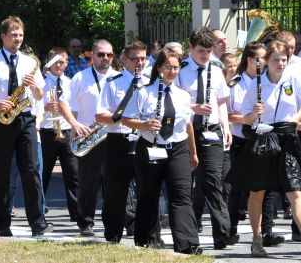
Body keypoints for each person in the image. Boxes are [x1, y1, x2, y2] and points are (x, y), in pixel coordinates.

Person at [226, 40, 301, 257]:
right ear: (267, 61)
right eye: (276, 60)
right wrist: (254, 111)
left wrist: (296, 119)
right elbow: (247, 118)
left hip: (287, 137)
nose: (281, 63)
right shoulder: (256, 84)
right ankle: (257, 238)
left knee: (295, 189)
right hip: (263, 137)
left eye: (284, 59)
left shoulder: (294, 79)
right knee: (258, 191)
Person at [0, 16, 51, 237]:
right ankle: (3, 223)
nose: (18, 38)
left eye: (21, 34)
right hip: (0, 120)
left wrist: (34, 89)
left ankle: (38, 222)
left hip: (25, 118)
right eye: (13, 34)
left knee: (32, 170)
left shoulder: (31, 62)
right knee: (3, 174)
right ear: (3, 36)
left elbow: (40, 95)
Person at [122, 50, 202, 255]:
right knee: (149, 194)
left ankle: (187, 243)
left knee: (182, 195)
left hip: (178, 149)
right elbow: (126, 119)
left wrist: (193, 153)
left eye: (175, 68)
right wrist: (145, 124)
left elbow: (188, 127)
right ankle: (147, 240)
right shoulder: (144, 91)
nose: (172, 72)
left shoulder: (183, 95)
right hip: (150, 147)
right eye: (168, 67)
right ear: (159, 68)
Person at [175, 27, 237, 249]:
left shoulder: (216, 70)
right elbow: (174, 102)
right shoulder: (181, 70)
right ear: (191, 48)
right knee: (191, 184)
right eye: (201, 50)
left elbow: (221, 102)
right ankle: (191, 228)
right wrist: (194, 107)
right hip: (187, 131)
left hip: (211, 131)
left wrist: (226, 126)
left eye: (208, 51)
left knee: (213, 180)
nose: (205, 55)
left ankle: (223, 232)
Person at [225, 42, 285, 246]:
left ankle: (267, 230)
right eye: (261, 58)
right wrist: (248, 118)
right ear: (251, 60)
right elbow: (227, 115)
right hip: (242, 139)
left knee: (267, 186)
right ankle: (230, 228)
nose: (266, 61)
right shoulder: (236, 83)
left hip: (264, 137)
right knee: (239, 187)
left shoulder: (269, 81)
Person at [95, 40, 149, 243]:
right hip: (119, 138)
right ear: (125, 59)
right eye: (135, 59)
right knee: (116, 190)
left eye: (143, 58)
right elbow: (100, 116)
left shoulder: (152, 83)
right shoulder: (113, 82)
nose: (140, 63)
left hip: (144, 138)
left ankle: (144, 233)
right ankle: (113, 233)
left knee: (147, 188)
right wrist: (120, 118)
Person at [69, 39, 119, 237]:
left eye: (109, 55)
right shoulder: (81, 78)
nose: (105, 58)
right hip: (89, 136)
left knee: (114, 182)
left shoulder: (119, 77)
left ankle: (113, 221)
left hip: (114, 135)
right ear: (92, 55)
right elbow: (69, 104)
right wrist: (74, 125)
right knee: (88, 182)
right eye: (100, 54)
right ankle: (86, 222)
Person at [39, 47, 89, 224]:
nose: (59, 65)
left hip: (67, 131)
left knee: (73, 174)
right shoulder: (42, 83)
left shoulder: (70, 83)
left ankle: (76, 214)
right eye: (55, 61)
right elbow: (34, 107)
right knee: (43, 173)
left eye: (62, 61)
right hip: (47, 132)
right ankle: (38, 211)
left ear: (67, 63)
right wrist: (45, 108)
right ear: (49, 61)